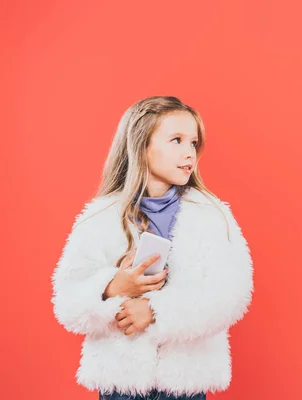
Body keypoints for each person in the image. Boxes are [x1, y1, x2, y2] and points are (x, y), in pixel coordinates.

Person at [52, 96, 253, 400]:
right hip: (121, 384)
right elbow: (67, 302)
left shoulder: (212, 214)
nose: (189, 153)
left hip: (184, 384)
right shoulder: (101, 216)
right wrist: (112, 287)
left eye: (193, 143)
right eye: (176, 140)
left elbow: (231, 294)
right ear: (141, 145)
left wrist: (157, 311)